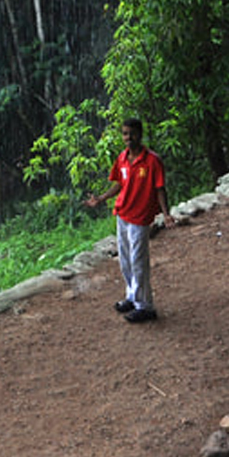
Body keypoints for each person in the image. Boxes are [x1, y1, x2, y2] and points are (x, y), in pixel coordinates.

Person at [84, 117, 174, 322]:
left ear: (140, 134)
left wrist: (166, 213)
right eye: (125, 133)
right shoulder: (123, 158)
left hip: (140, 217)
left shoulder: (152, 160)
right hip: (123, 214)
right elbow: (119, 183)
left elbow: (160, 188)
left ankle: (146, 306)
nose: (128, 137)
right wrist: (101, 198)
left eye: (132, 133)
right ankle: (132, 297)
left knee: (138, 261)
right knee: (125, 260)